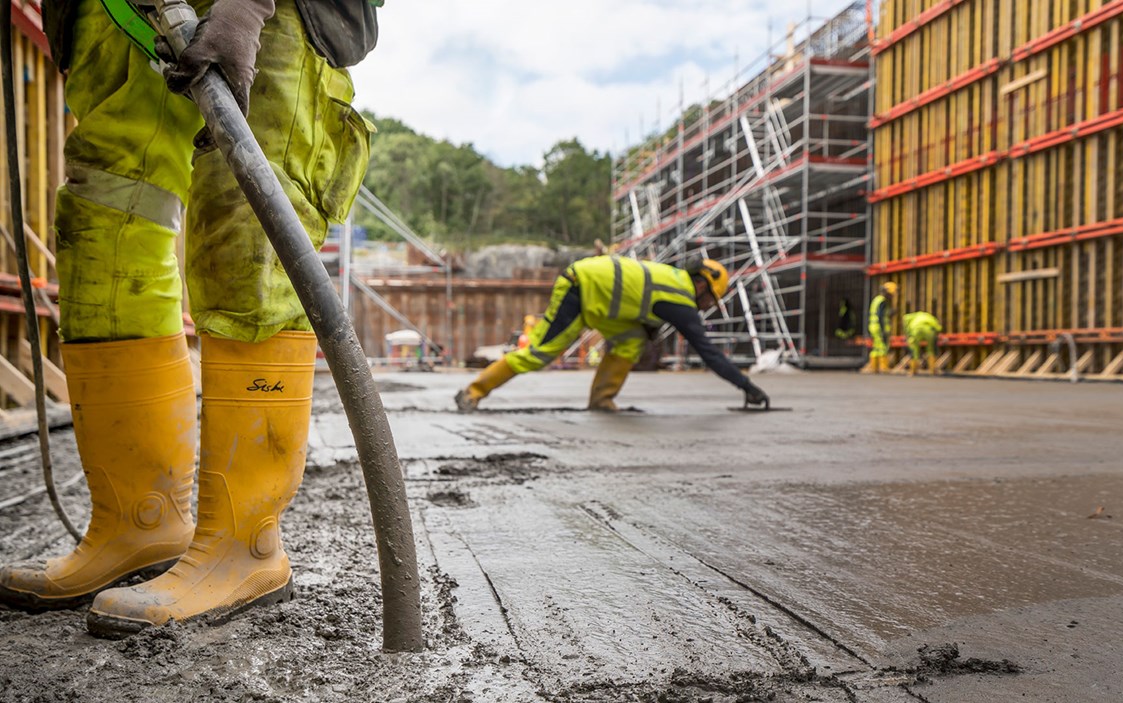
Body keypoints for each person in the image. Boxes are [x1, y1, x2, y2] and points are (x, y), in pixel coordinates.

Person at [0, 0, 378, 638]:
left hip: (268, 14)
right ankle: (137, 523)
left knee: (246, 233)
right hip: (113, 13)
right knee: (105, 239)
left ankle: (243, 545)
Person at [454, 256, 770, 412]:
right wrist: (747, 385)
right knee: (539, 354)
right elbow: (708, 352)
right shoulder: (679, 298)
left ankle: (601, 401)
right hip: (581, 289)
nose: (705, 307)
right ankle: (472, 392)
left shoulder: (673, 283)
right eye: (709, 299)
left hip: (603, 307)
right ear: (701, 284)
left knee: (631, 342)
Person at [865, 281, 898, 373]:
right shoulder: (883, 301)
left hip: (873, 326)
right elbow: (880, 315)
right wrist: (883, 329)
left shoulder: (877, 300)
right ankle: (884, 368)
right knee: (883, 347)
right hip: (879, 327)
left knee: (876, 347)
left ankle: (874, 367)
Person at [903, 311, 943, 375]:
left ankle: (913, 371)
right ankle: (932, 370)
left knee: (914, 350)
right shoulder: (928, 316)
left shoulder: (912, 319)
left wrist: (908, 337)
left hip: (916, 331)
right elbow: (937, 327)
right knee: (931, 350)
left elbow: (908, 331)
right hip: (929, 330)